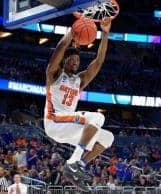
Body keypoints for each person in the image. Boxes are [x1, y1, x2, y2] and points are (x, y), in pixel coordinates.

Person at [44, 18, 113, 191]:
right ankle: (74, 161)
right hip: (54, 121)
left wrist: (104, 34)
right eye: (72, 60)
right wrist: (70, 35)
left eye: (78, 61)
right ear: (64, 61)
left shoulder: (79, 80)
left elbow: (98, 62)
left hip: (68, 127)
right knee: (97, 116)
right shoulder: (54, 74)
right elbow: (59, 50)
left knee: (107, 138)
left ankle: (78, 165)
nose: (76, 63)